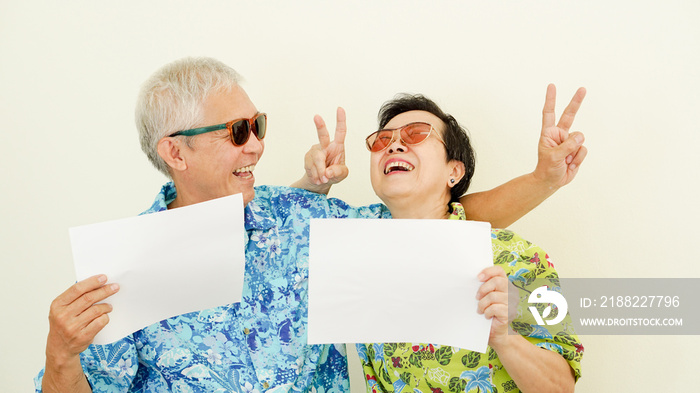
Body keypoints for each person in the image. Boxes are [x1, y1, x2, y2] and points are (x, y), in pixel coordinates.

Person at [35, 57, 584, 393]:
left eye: (258, 125)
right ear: (175, 152)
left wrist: (545, 179)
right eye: (238, 131)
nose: (258, 143)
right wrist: (60, 356)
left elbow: (429, 223)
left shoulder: (304, 218)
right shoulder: (122, 268)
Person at [304, 92, 583, 393]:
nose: (395, 145)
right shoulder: (356, 247)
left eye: (417, 134)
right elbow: (273, 229)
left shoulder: (515, 256)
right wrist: (314, 182)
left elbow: (561, 388)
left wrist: (504, 338)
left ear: (454, 171)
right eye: (382, 140)